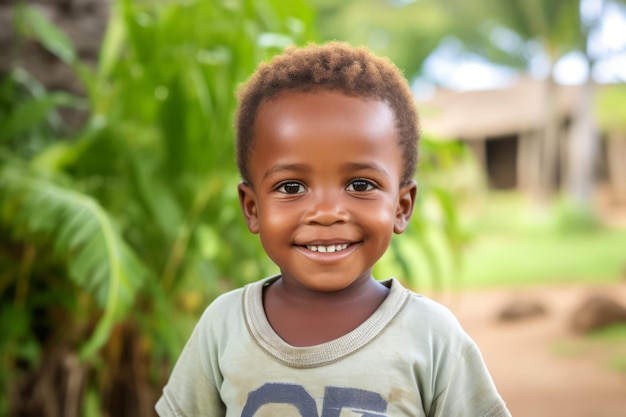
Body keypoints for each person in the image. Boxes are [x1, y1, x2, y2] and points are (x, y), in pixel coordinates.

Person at [155, 41, 511, 417]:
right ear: (252, 207)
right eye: (291, 187)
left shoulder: (432, 338)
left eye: (360, 185)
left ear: (402, 207)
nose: (326, 213)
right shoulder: (223, 328)